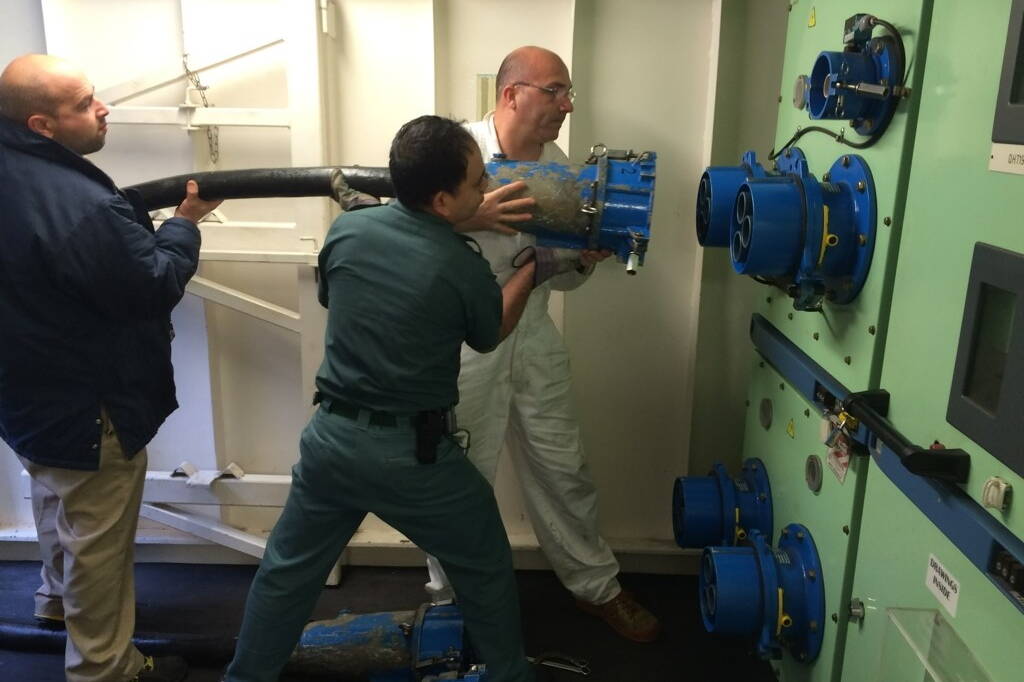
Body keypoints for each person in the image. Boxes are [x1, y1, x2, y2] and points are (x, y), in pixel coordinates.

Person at [224, 115, 580, 682]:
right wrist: (536, 268)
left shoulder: (348, 231)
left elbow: (337, 290)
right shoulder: (460, 264)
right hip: (412, 458)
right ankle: (509, 674)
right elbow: (490, 332)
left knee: (286, 574)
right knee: (484, 559)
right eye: (477, 183)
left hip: (331, 443)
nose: (486, 189)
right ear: (442, 200)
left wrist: (373, 221)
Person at [424, 46, 661, 643]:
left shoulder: (562, 170)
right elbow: (407, 229)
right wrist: (471, 217)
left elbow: (564, 279)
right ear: (511, 94)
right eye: (555, 90)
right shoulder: (455, 155)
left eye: (568, 92)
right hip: (464, 344)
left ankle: (596, 587)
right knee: (459, 476)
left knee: (564, 468)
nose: (567, 104)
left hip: (531, 332)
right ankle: (453, 604)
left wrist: (583, 260)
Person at [0, 54, 222, 682]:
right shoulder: (79, 206)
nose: (103, 110)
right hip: (85, 401)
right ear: (42, 125)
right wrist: (184, 225)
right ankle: (104, 667)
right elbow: (152, 286)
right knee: (97, 536)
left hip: (23, 392)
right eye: (84, 104)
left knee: (54, 491)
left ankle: (54, 602)